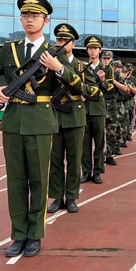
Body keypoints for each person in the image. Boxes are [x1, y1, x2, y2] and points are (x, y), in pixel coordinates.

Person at [0, 0, 81, 257]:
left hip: (42, 120)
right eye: (25, 15)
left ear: (46, 21)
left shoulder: (55, 53)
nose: (29, 20)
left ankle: (35, 234)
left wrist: (58, 68)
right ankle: (18, 234)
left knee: (39, 179)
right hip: (13, 121)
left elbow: (77, 84)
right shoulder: (10, 49)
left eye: (35, 16)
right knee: (16, 181)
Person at [48, 24, 98, 213]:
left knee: (74, 159)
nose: (60, 43)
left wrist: (81, 89)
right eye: (58, 40)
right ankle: (56, 197)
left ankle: (71, 197)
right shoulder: (48, 63)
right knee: (55, 160)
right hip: (54, 115)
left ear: (72, 44)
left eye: (64, 41)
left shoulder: (81, 66)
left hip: (75, 116)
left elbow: (94, 90)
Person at [81, 37, 112, 183]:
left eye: (95, 48)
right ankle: (86, 171)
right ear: (87, 50)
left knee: (99, 142)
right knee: (84, 143)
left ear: (100, 50)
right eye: (90, 48)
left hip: (99, 109)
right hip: (85, 109)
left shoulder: (107, 68)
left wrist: (103, 80)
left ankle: (98, 171)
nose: (93, 51)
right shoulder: (81, 67)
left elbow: (111, 90)